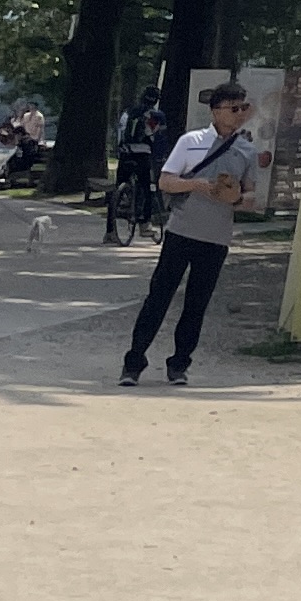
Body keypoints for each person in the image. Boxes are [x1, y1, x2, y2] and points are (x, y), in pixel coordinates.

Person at [120, 81, 262, 387]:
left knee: (197, 304)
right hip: (182, 231)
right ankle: (133, 362)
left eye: (243, 108)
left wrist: (236, 198)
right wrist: (197, 185)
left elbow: (251, 196)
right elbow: (166, 181)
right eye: (233, 108)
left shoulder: (247, 150)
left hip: (216, 238)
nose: (239, 114)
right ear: (216, 111)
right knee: (159, 297)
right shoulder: (191, 141)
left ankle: (179, 364)